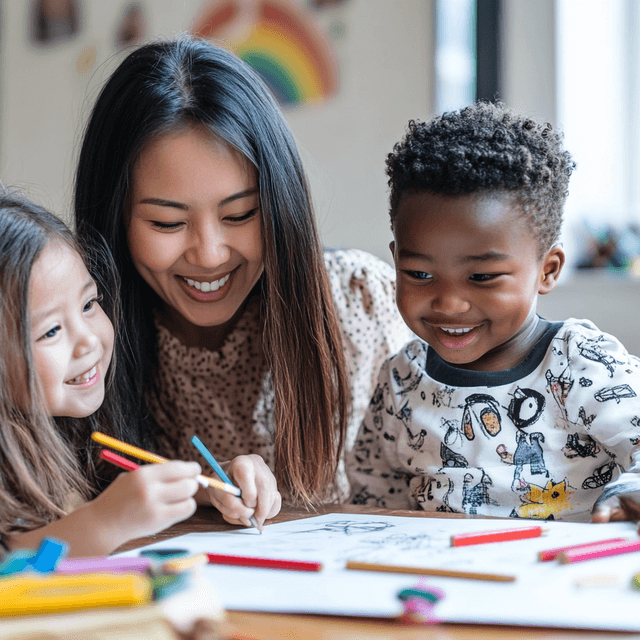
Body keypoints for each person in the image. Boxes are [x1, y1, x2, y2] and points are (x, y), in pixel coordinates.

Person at [73, 34, 412, 506]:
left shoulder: (360, 299)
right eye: (167, 222)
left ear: (279, 204)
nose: (210, 255)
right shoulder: (83, 341)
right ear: (114, 218)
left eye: (240, 215)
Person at [347, 101, 640, 524]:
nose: (449, 303)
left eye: (482, 277)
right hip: (443, 581)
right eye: (419, 273)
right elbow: (374, 497)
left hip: (562, 579)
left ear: (547, 270)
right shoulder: (402, 378)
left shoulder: (581, 362)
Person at [0, 191, 209, 557]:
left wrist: (202, 488)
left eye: (88, 304)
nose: (89, 341)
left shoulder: (72, 430)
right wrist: (103, 523)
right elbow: (10, 562)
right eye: (51, 331)